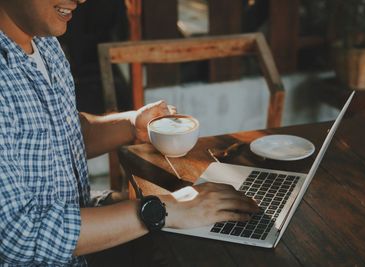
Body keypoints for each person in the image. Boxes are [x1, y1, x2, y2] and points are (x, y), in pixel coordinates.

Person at [0, 0, 258, 266]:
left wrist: (132, 124)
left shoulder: (44, 44)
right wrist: (165, 208)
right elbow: (19, 235)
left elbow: (63, 135)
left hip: (81, 229)